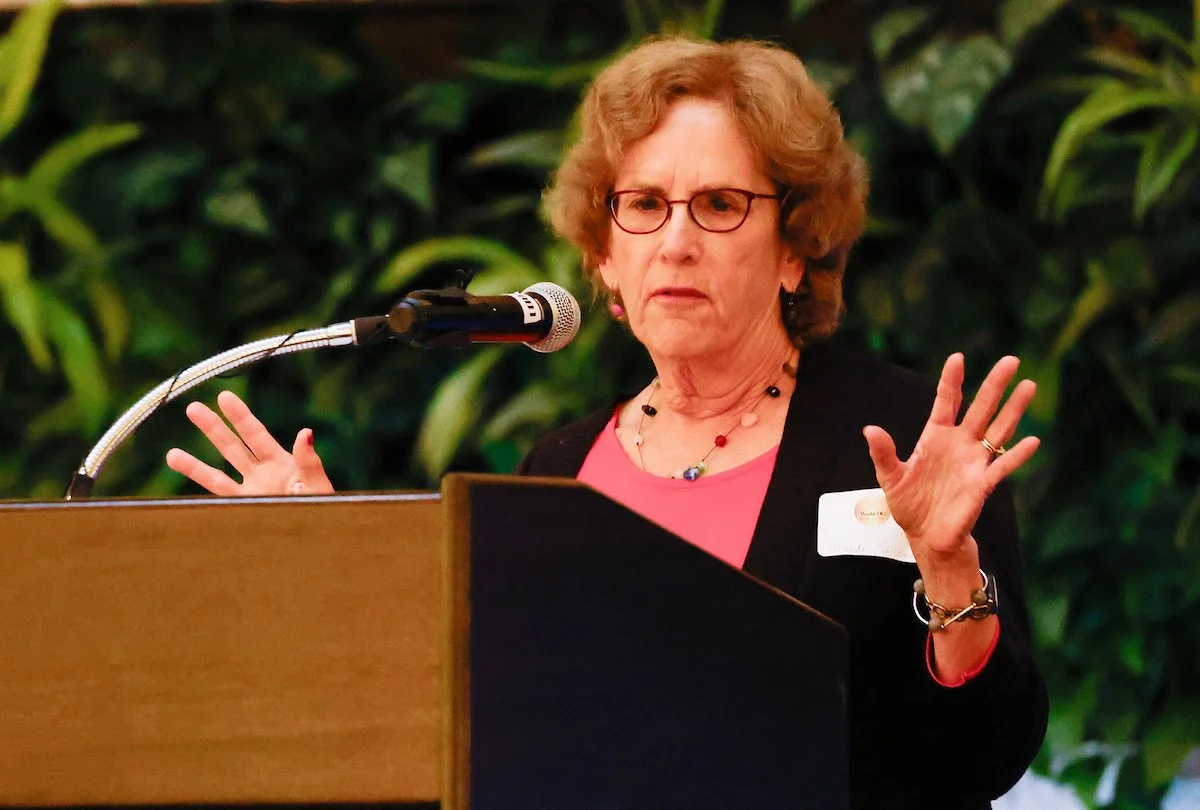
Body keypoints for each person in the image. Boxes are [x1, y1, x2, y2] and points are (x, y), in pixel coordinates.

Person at [166, 35, 1048, 810]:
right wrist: (328, 564)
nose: (675, 241)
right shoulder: (557, 469)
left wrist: (946, 577)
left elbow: (984, 757)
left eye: (719, 205)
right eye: (644, 205)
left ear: (795, 248)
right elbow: (472, 727)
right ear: (605, 260)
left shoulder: (900, 440)